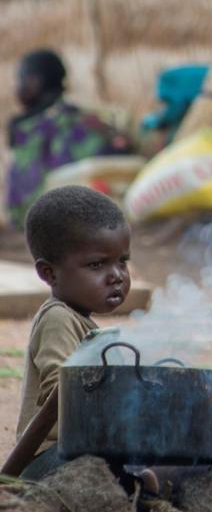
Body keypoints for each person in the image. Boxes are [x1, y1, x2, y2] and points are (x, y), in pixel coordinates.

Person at [15, 185, 131, 480]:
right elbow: (64, 390)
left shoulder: (85, 324)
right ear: (49, 273)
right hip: (52, 461)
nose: (117, 275)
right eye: (97, 264)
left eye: (122, 261)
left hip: (79, 453)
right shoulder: (57, 319)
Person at [6, 50, 131, 226]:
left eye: (20, 78)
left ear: (36, 81)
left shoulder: (28, 129)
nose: (16, 86)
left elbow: (21, 201)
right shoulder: (88, 118)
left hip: (42, 220)